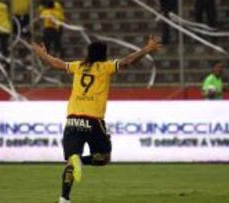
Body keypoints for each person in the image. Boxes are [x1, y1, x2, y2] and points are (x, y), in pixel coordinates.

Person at [31, 36, 161, 203]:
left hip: (72, 121)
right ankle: (81, 161)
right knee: (103, 157)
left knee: (71, 160)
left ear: (89, 53)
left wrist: (42, 54)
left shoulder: (78, 66)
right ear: (104, 54)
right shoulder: (105, 67)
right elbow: (127, 62)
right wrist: (146, 50)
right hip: (93, 120)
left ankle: (64, 198)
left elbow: (55, 63)